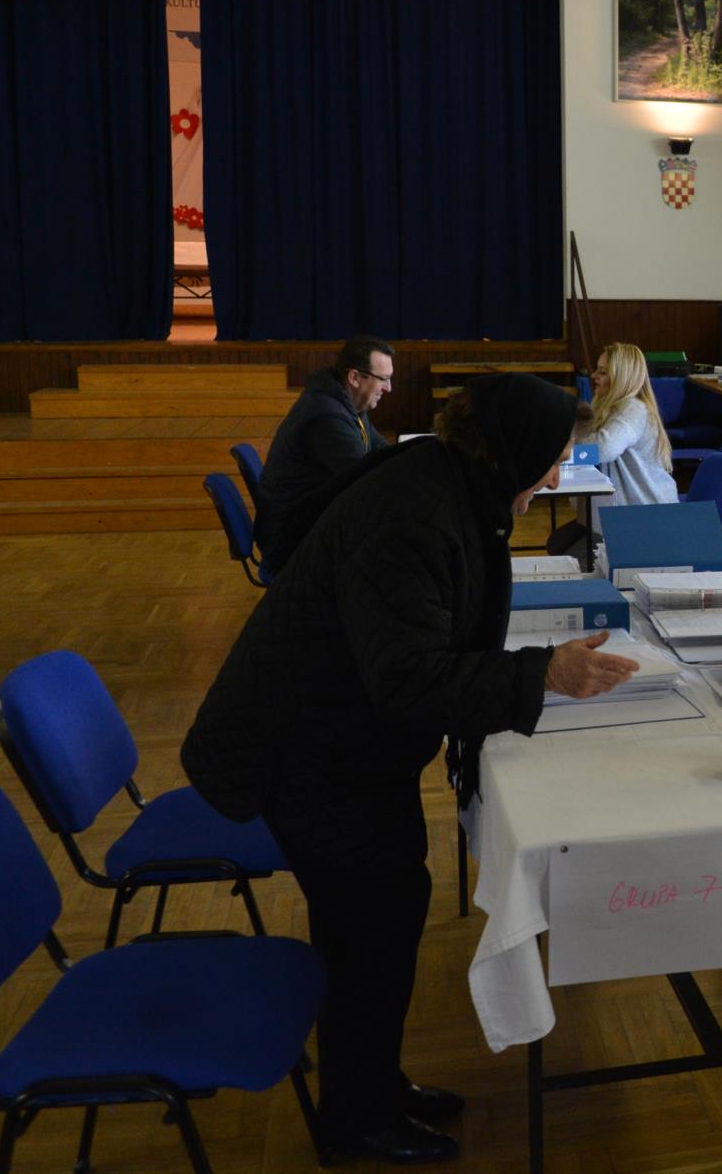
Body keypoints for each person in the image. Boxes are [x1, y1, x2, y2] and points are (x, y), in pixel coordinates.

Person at [180, 375, 640, 1165]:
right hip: (303, 748)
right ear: (514, 450)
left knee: (380, 915)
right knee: (373, 924)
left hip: (337, 739)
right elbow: (407, 675)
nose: (554, 476)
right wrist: (542, 674)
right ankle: (356, 1119)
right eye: (552, 459)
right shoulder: (415, 514)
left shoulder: (446, 483)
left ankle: (371, 1086)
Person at [255, 335, 394, 570]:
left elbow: (380, 451)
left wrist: (420, 454)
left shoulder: (346, 401)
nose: (389, 388)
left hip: (308, 519)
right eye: (384, 379)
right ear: (354, 378)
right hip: (291, 540)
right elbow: (367, 478)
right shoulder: (327, 416)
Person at [545, 342, 678, 567]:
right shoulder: (606, 405)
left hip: (644, 515)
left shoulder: (634, 409)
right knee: (559, 544)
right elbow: (581, 441)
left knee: (573, 555)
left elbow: (604, 448)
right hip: (619, 514)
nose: (594, 376)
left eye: (603, 372)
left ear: (622, 377)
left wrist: (559, 455)